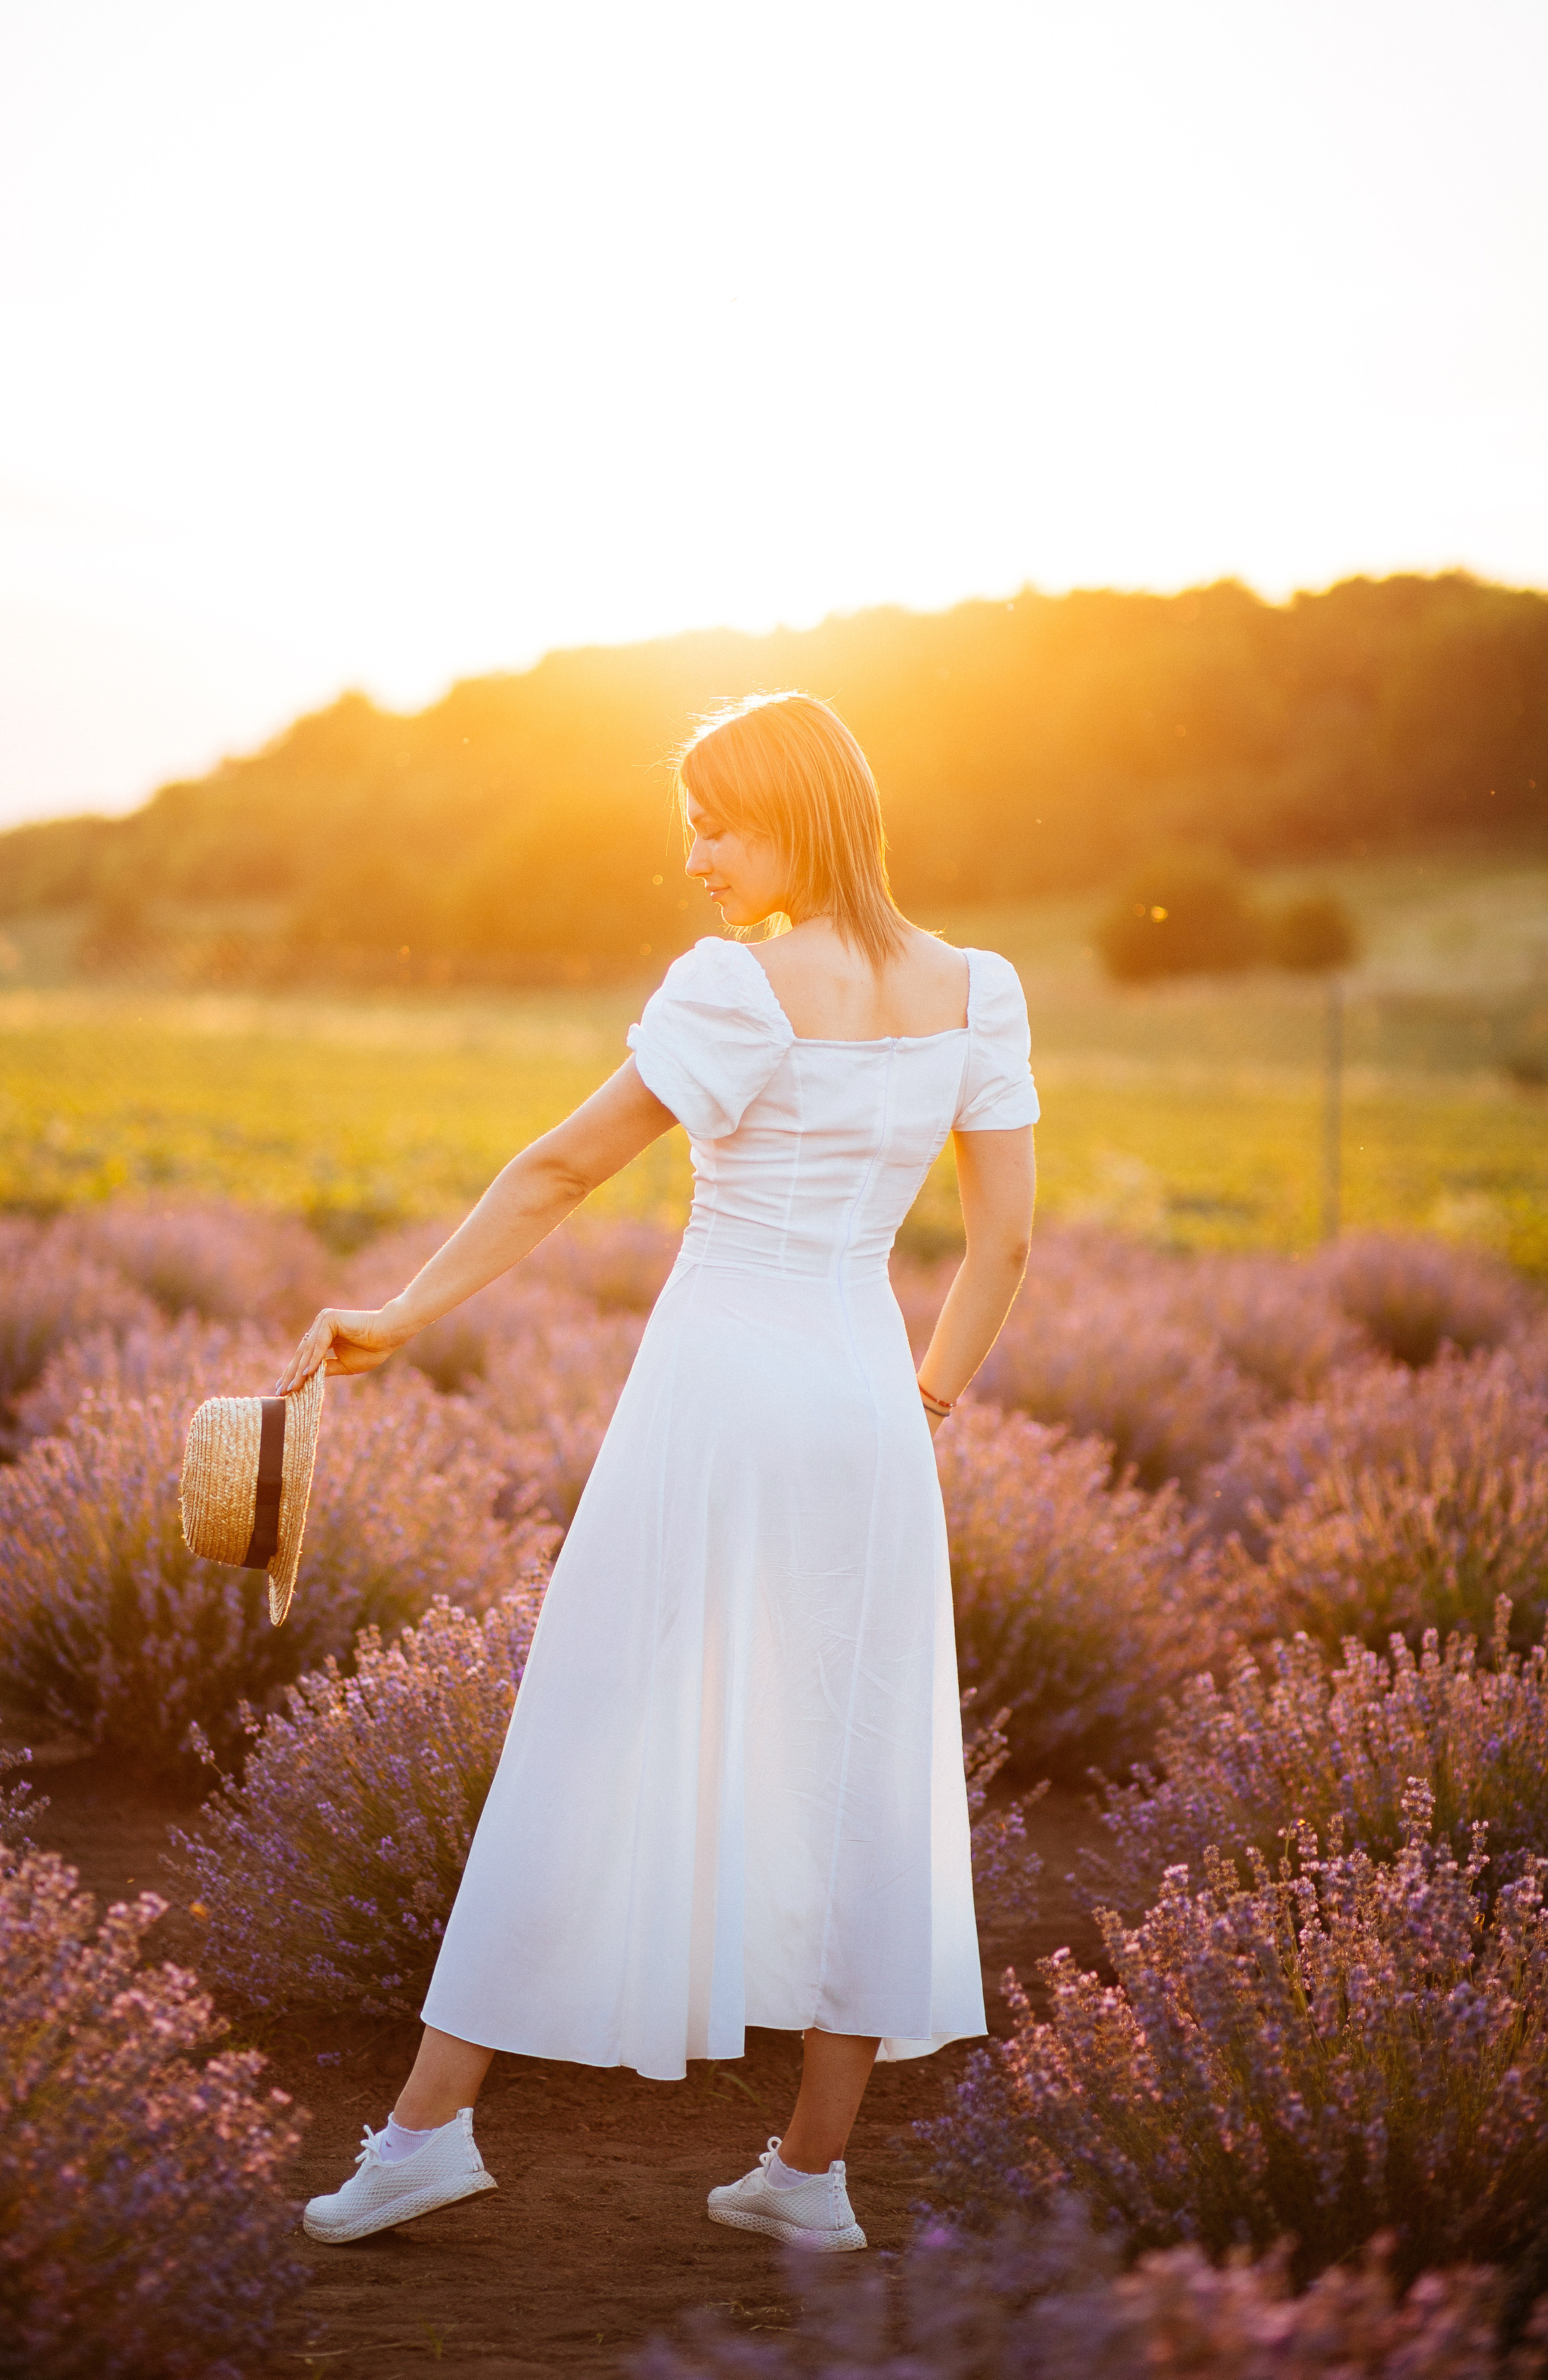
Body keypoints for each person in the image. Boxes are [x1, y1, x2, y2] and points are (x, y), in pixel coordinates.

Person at [280, 690, 1038, 2254]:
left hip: (714, 1397)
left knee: (586, 1729)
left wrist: (404, 1314)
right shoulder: (981, 988)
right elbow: (1004, 1236)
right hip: (864, 1407)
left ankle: (424, 2134)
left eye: (717, 820)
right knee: (859, 1772)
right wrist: (928, 1400)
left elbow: (561, 1167)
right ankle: (812, 2178)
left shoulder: (737, 987)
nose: (693, 855)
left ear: (798, 817)